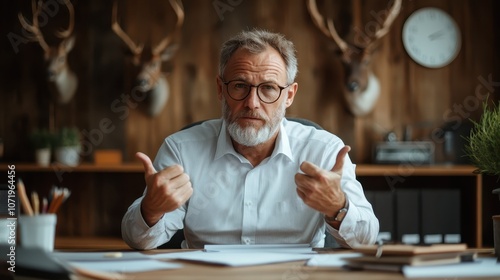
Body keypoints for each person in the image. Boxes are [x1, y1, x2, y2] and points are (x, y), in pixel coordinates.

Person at [122, 29, 379, 250]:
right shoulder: (181, 149)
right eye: (239, 86)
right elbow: (138, 241)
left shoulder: (325, 151)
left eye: (268, 88)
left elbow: (366, 239)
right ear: (221, 89)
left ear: (289, 95)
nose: (252, 103)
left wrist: (338, 208)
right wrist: (151, 210)